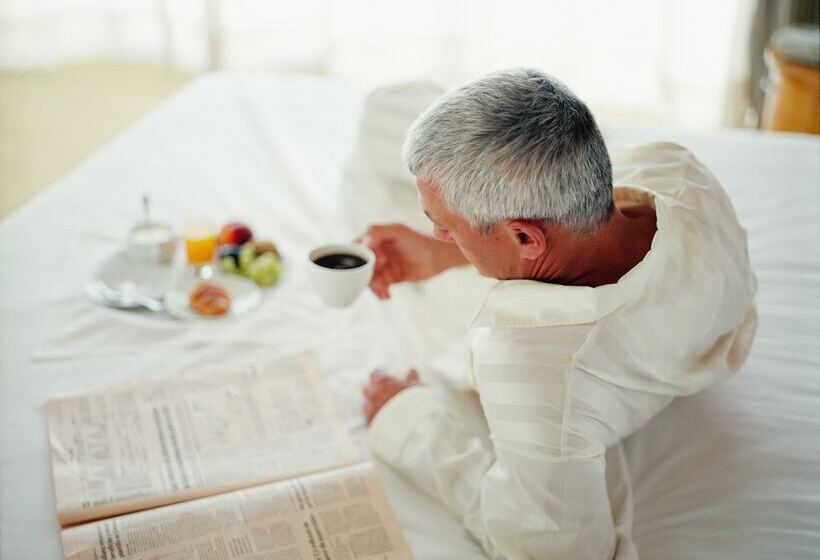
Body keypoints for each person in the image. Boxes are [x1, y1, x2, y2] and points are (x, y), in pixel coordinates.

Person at [359, 68, 757, 559]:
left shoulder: (536, 369)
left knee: (377, 114)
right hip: (677, 321)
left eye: (445, 228)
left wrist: (404, 418)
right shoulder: (674, 169)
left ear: (525, 239)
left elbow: (549, 546)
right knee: (384, 112)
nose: (438, 236)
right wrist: (445, 252)